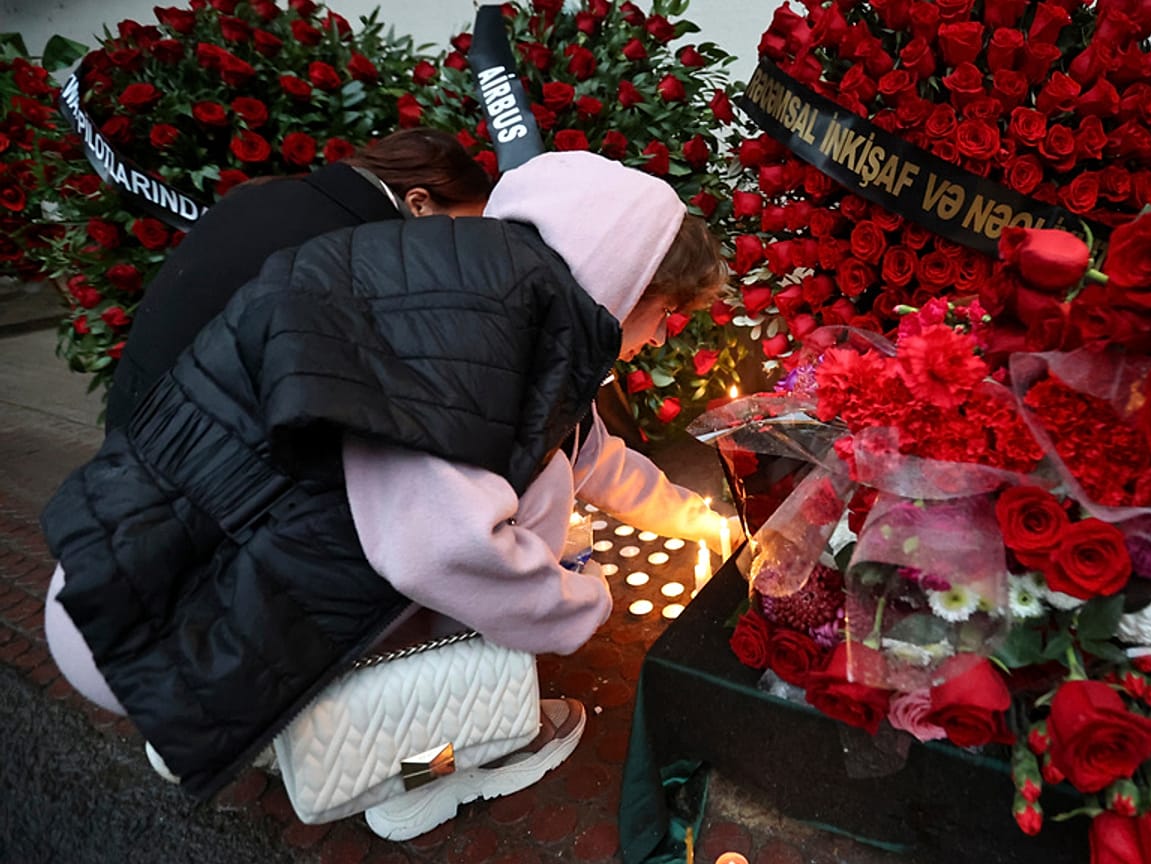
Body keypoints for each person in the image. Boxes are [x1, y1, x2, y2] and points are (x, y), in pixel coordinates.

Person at [41, 151, 740, 820]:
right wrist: (578, 604)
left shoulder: (480, 287)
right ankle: (418, 775)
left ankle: (264, 730)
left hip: (128, 570)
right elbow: (439, 549)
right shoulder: (482, 328)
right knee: (494, 592)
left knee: (530, 499)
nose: (658, 338)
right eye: (663, 314)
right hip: (156, 621)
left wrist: (702, 521)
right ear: (628, 281)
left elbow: (587, 450)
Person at [104, 127, 494, 432]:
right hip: (194, 449)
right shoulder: (355, 251)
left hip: (136, 412)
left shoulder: (272, 195)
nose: (460, 248)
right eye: (463, 229)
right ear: (419, 203)